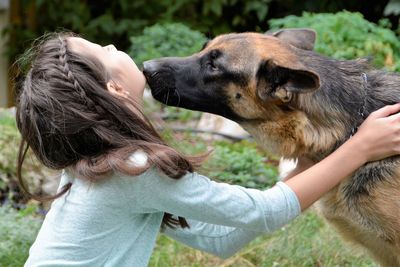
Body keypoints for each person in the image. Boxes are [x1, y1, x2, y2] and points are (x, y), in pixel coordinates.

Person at [16, 32, 400, 267]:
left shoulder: (98, 162)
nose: (114, 44)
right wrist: (359, 148)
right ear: (115, 90)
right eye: (105, 49)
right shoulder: (133, 170)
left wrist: (323, 156)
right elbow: (261, 213)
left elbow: (218, 239)